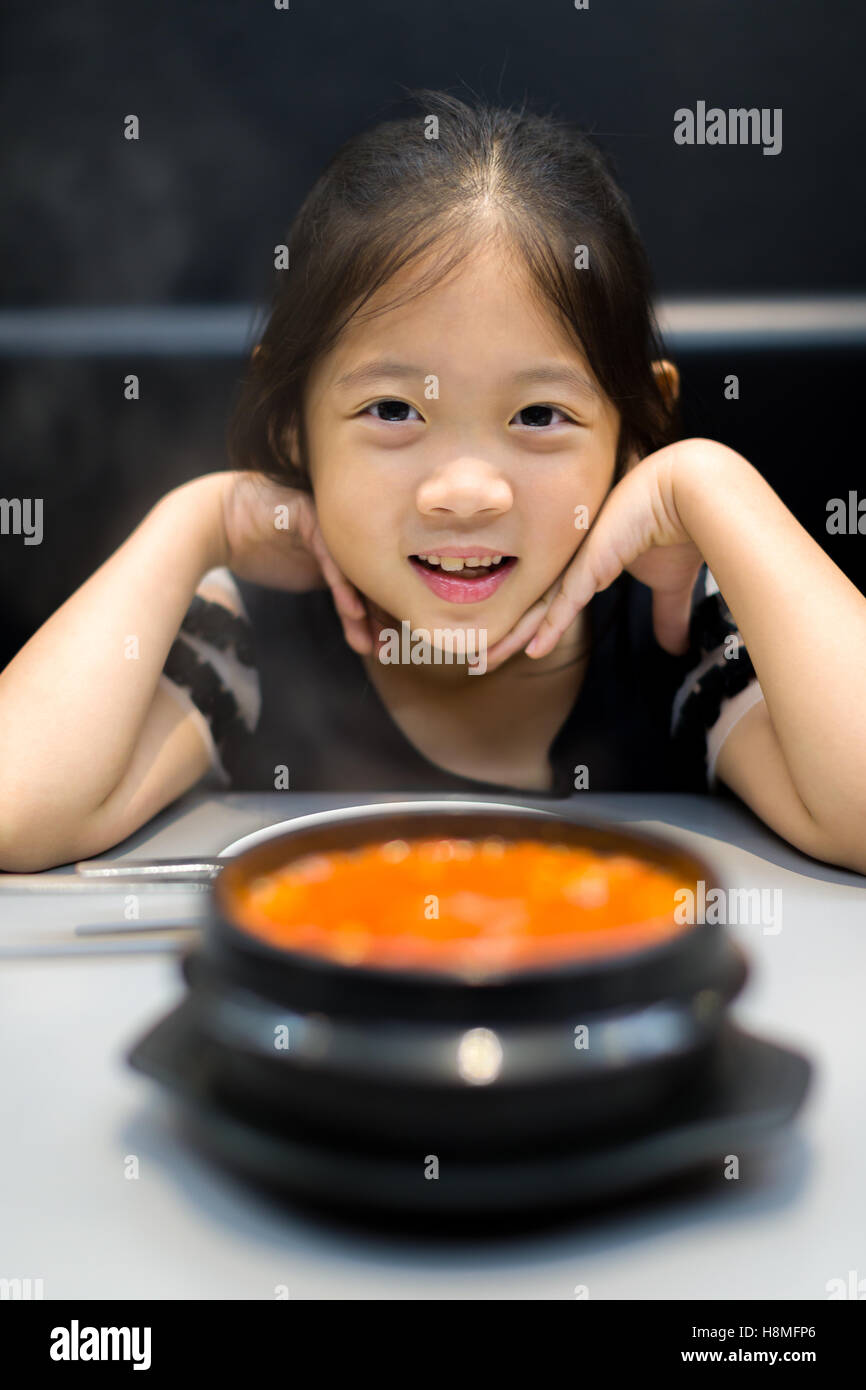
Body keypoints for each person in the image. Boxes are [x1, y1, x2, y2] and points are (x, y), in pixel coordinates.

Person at [2, 91, 865, 875]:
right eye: (391, 409)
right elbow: (14, 812)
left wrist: (714, 488)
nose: (464, 491)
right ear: (293, 426)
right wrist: (194, 520)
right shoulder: (253, 633)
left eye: (538, 417)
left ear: (634, 428)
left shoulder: (674, 632)